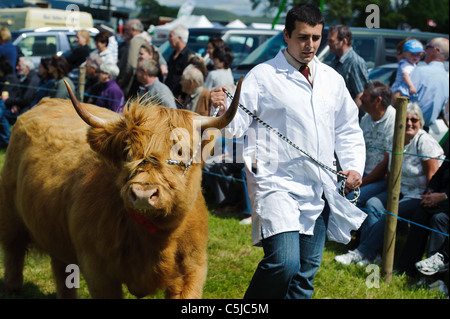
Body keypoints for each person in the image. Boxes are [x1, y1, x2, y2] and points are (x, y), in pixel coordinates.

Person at [211, 4, 366, 299]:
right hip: (275, 184)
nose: (310, 46)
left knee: (304, 277)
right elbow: (235, 126)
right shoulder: (262, 76)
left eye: (316, 38)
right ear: (286, 35)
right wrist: (222, 106)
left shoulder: (332, 79)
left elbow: (347, 128)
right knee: (284, 263)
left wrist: (353, 166)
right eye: (302, 37)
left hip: (318, 189)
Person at [335, 103, 445, 267]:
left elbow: (433, 174)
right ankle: (374, 254)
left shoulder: (423, 141)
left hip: (420, 194)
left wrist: (430, 197)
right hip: (399, 190)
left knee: (393, 211)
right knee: (373, 203)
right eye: (406, 119)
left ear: (420, 123)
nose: (409, 123)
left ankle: (361, 252)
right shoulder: (396, 139)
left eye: (414, 120)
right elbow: (389, 169)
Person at [354, 81, 396, 207]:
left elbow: (386, 163)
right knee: (335, 192)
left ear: (378, 101)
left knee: (350, 198)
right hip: (363, 174)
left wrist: (361, 183)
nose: (360, 98)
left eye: (365, 95)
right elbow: (358, 149)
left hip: (381, 179)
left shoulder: (394, 121)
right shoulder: (366, 118)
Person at [406, 37, 449, 130]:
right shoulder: (446, 79)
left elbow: (402, 97)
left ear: (435, 50)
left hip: (408, 127)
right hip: (425, 129)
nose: (424, 51)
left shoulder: (419, 71)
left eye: (427, 47)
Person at [328, 25, 369, 110]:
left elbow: (361, 95)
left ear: (344, 41)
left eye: (331, 41)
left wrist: (348, 117)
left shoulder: (355, 62)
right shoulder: (335, 60)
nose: (328, 44)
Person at [117, 19, 148, 97]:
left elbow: (131, 65)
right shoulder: (142, 41)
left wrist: (123, 81)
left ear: (133, 30)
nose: (125, 32)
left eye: (127, 29)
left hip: (129, 84)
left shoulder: (134, 41)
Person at [165, 25, 193, 100]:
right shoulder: (173, 55)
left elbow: (190, 80)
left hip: (179, 99)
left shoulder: (188, 56)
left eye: (171, 36)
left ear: (179, 38)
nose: (168, 39)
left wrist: (183, 96)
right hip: (168, 96)